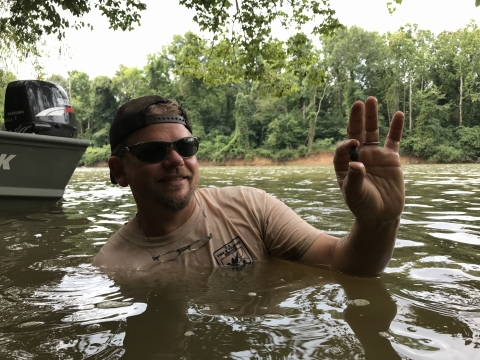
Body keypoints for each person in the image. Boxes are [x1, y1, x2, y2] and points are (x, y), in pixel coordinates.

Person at [93, 95, 405, 276]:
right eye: (152, 151)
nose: (176, 160)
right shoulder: (114, 267)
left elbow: (345, 264)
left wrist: (379, 222)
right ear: (120, 171)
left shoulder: (251, 207)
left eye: (186, 146)